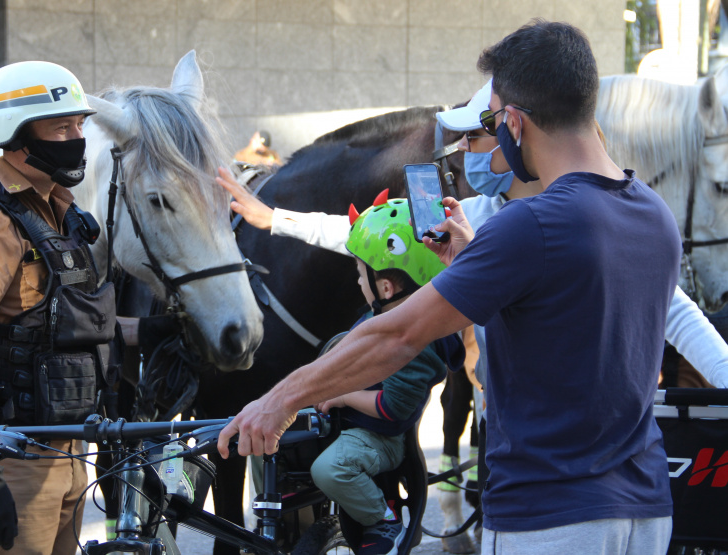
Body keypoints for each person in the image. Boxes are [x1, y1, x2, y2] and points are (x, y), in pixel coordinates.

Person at [218, 20, 679, 554]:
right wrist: (473, 264)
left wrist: (280, 399)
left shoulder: (529, 226)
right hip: (645, 511)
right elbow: (576, 345)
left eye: (486, 124)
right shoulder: (653, 214)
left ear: (513, 121)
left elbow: (395, 336)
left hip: (550, 518)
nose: (477, 144)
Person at [0, 61, 107, 553]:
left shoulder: (57, 210)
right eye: (61, 126)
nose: (77, 137)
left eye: (79, 125)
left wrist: (153, 331)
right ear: (15, 136)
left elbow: (56, 324)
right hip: (8, 460)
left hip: (66, 453)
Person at [311, 194, 455, 555]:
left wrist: (343, 395)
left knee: (330, 469)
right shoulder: (381, 316)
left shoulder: (413, 344)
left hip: (379, 436)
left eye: (362, 276)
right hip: (353, 422)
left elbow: (394, 407)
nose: (359, 284)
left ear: (386, 288)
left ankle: (383, 519)